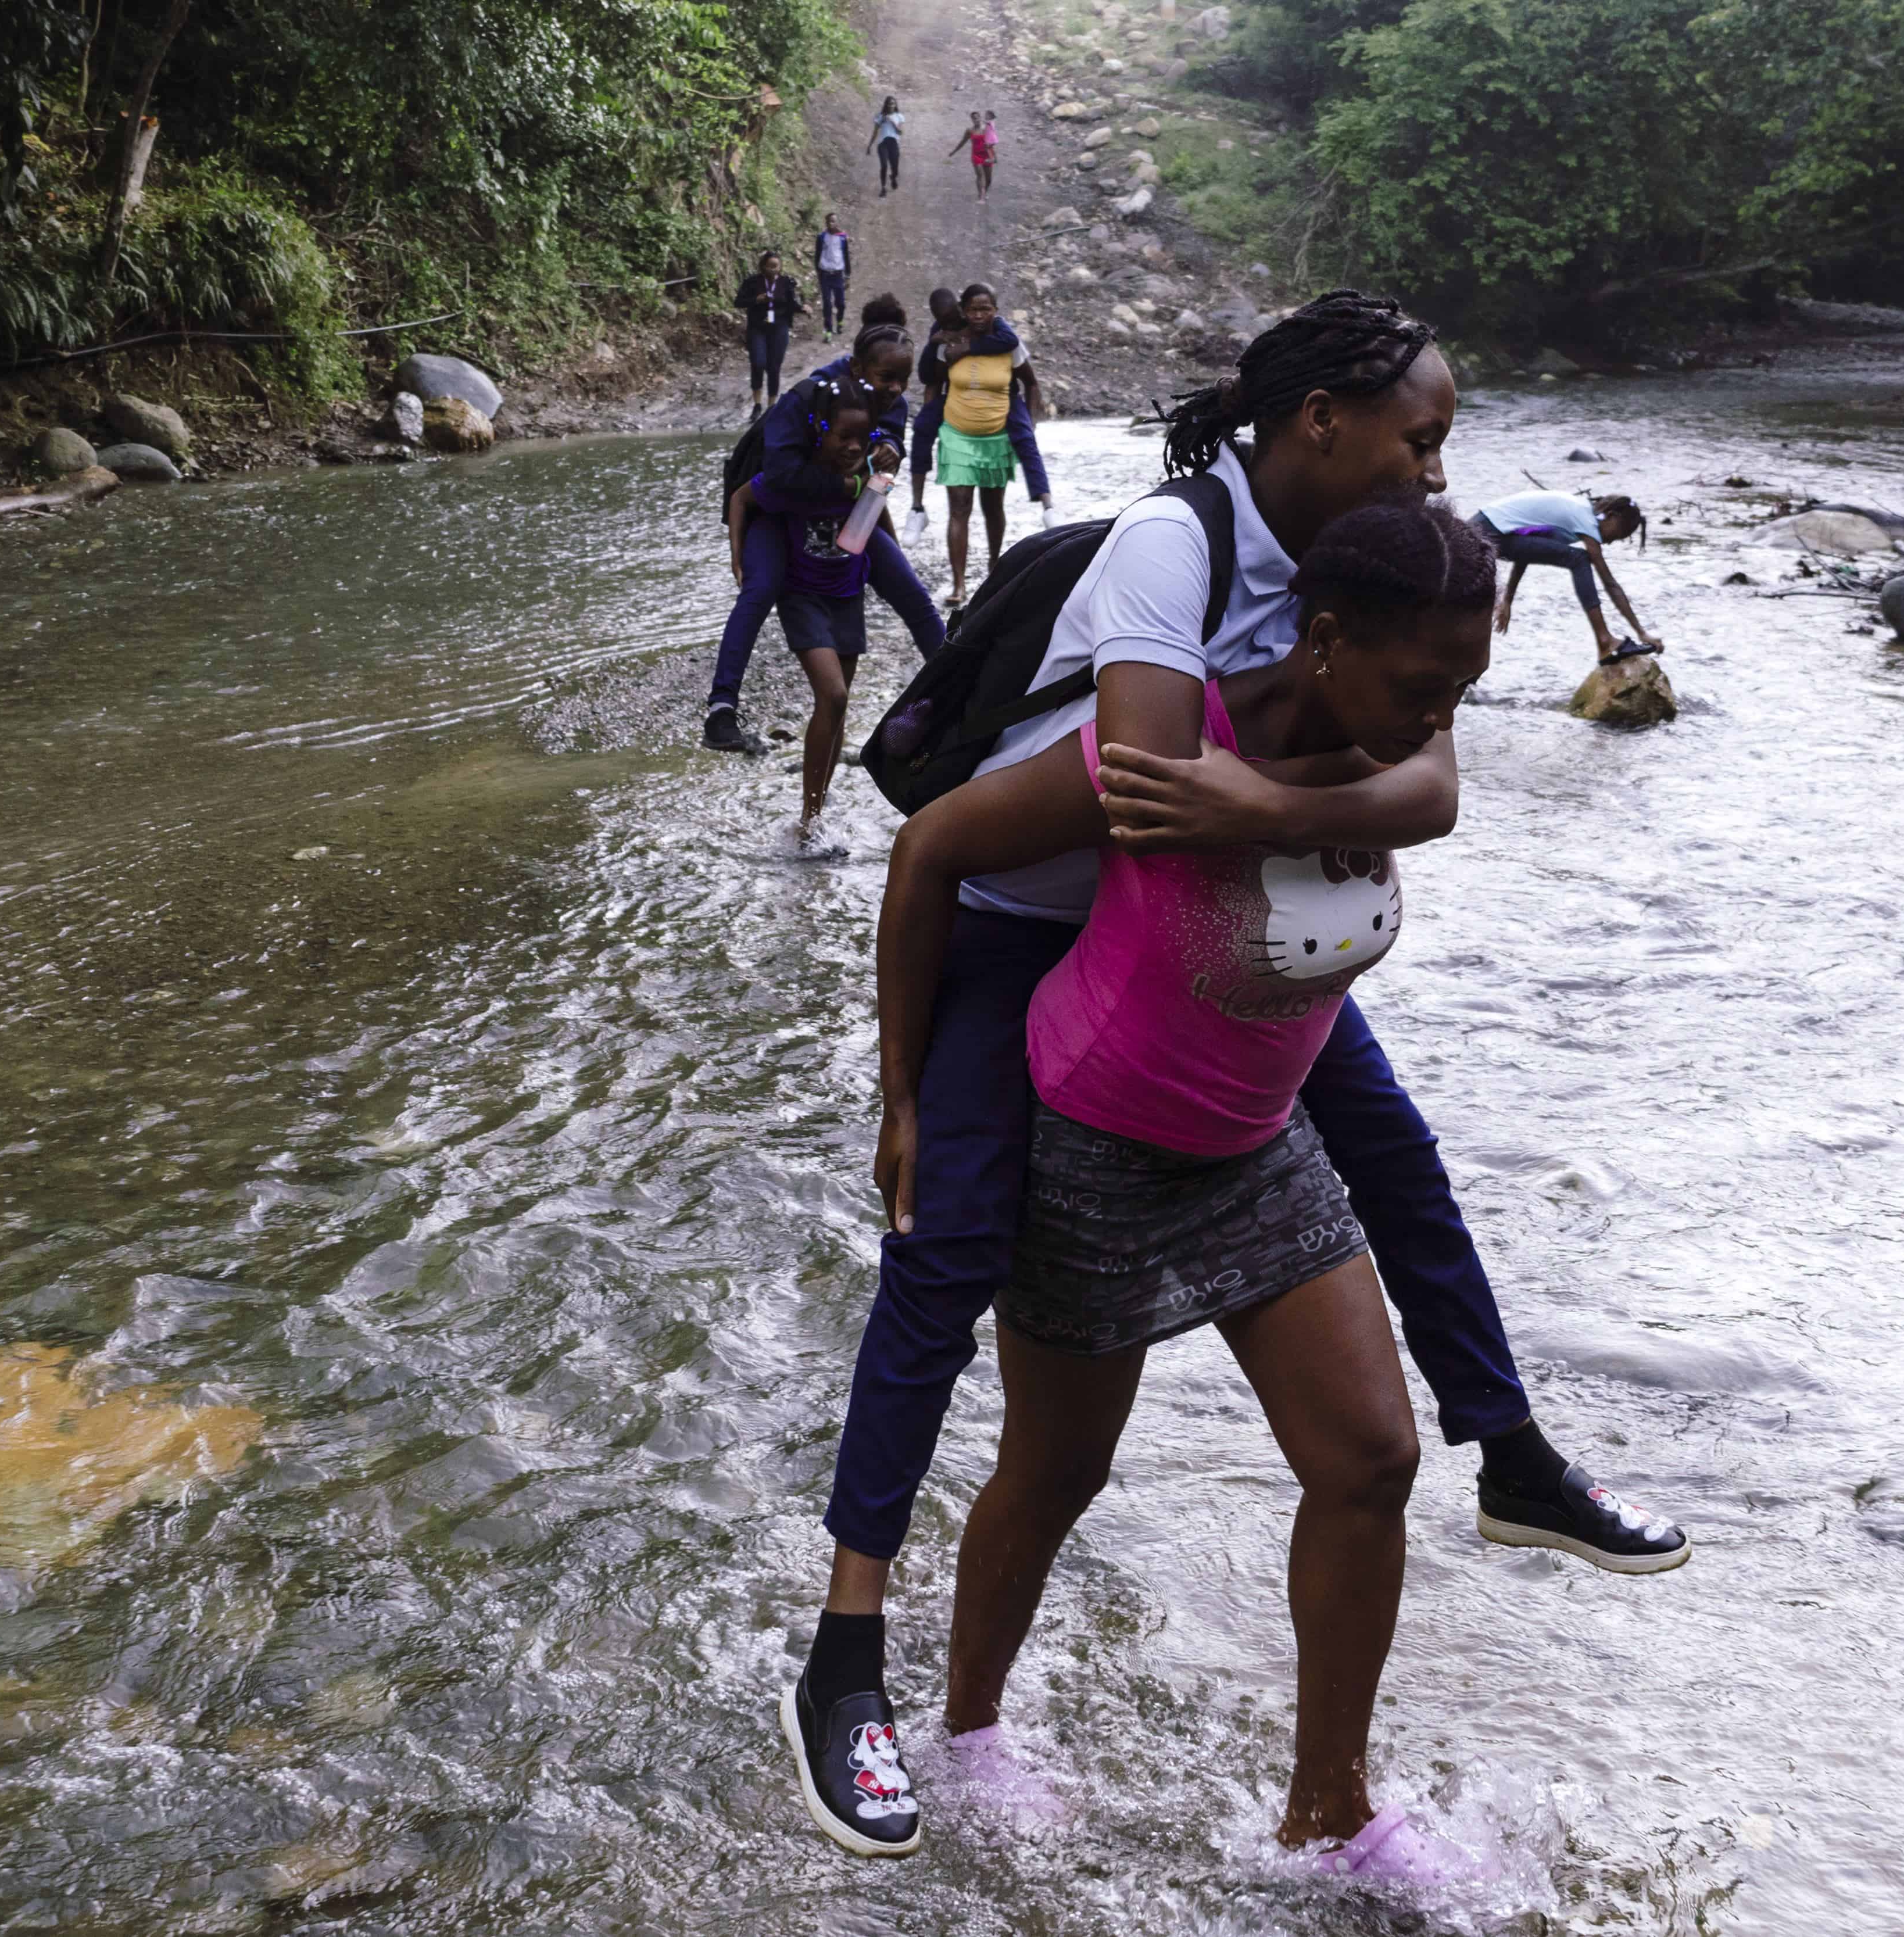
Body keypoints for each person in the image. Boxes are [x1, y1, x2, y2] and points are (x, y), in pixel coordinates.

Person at [778, 292, 1688, 1860]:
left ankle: (1509, 1456)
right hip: (1024, 934)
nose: (1433, 472)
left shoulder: (1374, 571)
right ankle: (847, 1654)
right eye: (1419, 439)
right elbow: (1150, 799)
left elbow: (1422, 775)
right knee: (946, 1244)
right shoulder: (1173, 552)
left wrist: (1333, 776)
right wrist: (903, 1086)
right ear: (1321, 418)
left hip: (1218, 956)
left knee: (1393, 1153)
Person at [858, 502, 1495, 1874]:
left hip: (1259, 1150)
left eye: (1466, 688)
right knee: (1057, 1468)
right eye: (1422, 687)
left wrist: (1287, 798)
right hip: (1089, 1150)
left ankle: (1330, 1805)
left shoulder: (1396, 747)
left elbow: (1427, 786)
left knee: (1371, 1460)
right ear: (1324, 638)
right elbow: (932, 854)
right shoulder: (1159, 749)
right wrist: (903, 1099)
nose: (1444, 718)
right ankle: (969, 1735)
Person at [704, 316, 946, 757]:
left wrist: (889, 446)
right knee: (759, 590)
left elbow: (888, 441)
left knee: (913, 592)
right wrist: (850, 486)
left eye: (903, 380)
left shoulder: (887, 397)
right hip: (779, 512)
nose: (895, 388)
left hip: (844, 514)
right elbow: (775, 479)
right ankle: (722, 708)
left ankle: (957, 682)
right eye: (886, 378)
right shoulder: (806, 399)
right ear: (857, 369)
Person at [725, 378, 900, 841]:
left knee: (836, 709)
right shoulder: (797, 480)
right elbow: (741, 498)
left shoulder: (865, 476)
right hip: (803, 598)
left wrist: (894, 565)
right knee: (835, 695)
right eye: (842, 437)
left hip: (847, 595)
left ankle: (817, 812)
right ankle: (809, 817)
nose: (851, 447)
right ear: (819, 432)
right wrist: (737, 557)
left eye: (861, 441)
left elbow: (878, 515)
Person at [1470, 489, 1661, 667]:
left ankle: (1605, 641)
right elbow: (1610, 583)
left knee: (1578, 558)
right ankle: (1605, 642)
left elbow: (1528, 550)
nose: (1611, 542)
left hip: (1480, 531)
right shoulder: (1585, 520)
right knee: (1579, 559)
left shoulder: (1577, 512)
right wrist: (1642, 632)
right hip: (1485, 533)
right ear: (1611, 517)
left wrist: (1508, 601)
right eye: (1618, 535)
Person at [926, 282, 1031, 606]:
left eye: (986, 309)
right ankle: (958, 585)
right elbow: (930, 381)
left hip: (997, 436)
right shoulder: (950, 341)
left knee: (993, 508)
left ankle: (993, 570)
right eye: (973, 309)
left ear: (996, 311)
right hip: (956, 433)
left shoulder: (1009, 344)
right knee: (959, 509)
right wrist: (929, 425)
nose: (979, 315)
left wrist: (1030, 422)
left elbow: (1031, 381)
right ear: (963, 311)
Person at [735, 251, 806, 414]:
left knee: (774, 367)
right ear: (763, 267)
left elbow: (792, 303)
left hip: (779, 328)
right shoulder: (752, 282)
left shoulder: (786, 283)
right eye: (770, 267)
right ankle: (757, 404)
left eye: (776, 267)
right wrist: (756, 300)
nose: (773, 270)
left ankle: (771, 407)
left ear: (780, 267)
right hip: (758, 327)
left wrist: (802, 308)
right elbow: (738, 302)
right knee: (758, 363)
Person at [813, 216, 855, 338]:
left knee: (840, 303)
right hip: (825, 274)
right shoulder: (821, 237)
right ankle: (829, 330)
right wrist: (818, 271)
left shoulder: (842, 238)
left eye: (833, 221)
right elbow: (817, 255)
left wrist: (847, 276)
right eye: (828, 221)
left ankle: (840, 322)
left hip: (838, 274)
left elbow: (846, 256)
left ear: (837, 223)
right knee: (827, 303)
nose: (831, 223)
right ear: (826, 223)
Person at [944, 111, 998, 201]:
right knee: (980, 176)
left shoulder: (987, 129)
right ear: (972, 120)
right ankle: (981, 197)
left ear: (980, 118)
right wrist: (954, 152)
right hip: (976, 155)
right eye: (974, 118)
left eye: (977, 117)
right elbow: (963, 142)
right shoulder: (970, 131)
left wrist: (994, 156)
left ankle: (985, 192)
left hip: (987, 155)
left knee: (989, 179)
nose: (976, 120)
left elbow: (992, 143)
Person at [869, 96, 906, 195]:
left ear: (896, 105)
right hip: (883, 144)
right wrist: (869, 146)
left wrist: (892, 121)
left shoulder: (899, 116)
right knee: (884, 165)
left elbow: (900, 132)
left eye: (893, 104)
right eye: (889, 104)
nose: (891, 106)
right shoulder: (880, 116)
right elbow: (875, 132)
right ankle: (883, 188)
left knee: (895, 168)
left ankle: (893, 177)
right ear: (886, 105)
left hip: (894, 144)